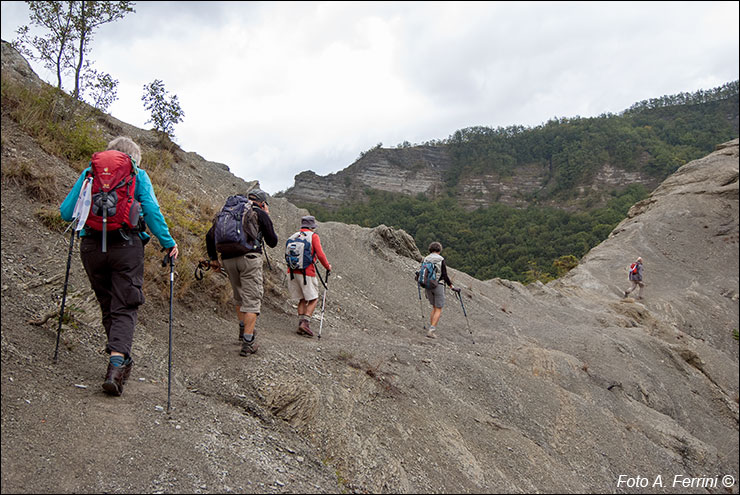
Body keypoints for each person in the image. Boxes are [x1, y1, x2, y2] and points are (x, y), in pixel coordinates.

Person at [60, 136, 179, 396]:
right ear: (133, 158)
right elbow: (151, 210)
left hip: (91, 246)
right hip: (126, 246)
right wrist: (168, 243)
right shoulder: (138, 175)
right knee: (125, 304)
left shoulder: (90, 173)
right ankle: (116, 364)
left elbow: (66, 212)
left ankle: (117, 355)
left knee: (107, 302)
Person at [206, 189, 278, 356]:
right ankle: (248, 342)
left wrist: (213, 259)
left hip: (228, 259)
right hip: (249, 259)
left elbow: (210, 236)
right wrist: (266, 215)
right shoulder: (258, 212)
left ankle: (242, 330)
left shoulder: (230, 212)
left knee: (239, 296)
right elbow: (272, 241)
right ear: (263, 202)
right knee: (252, 299)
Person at [286, 215, 332, 337]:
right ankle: (305, 323)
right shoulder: (313, 237)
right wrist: (327, 266)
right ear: (312, 227)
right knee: (313, 298)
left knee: (302, 298)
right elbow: (320, 255)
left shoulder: (294, 236)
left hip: (292, 272)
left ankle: (301, 323)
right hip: (307, 272)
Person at [422, 242, 459, 339]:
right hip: (438, 285)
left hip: (428, 285)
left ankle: (431, 328)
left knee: (434, 307)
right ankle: (431, 330)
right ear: (439, 250)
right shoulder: (441, 259)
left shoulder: (426, 259)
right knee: (438, 308)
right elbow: (444, 275)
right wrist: (451, 286)